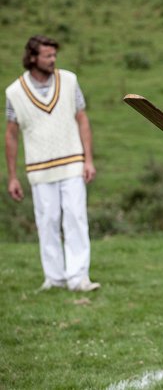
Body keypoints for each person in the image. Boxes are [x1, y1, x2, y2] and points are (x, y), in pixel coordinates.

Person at [4, 35, 99, 292]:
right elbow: (11, 134)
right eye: (47, 56)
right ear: (33, 58)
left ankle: (79, 278)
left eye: (54, 55)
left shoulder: (69, 80)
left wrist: (88, 160)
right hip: (39, 168)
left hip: (72, 163)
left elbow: (82, 119)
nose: (53, 59)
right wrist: (13, 176)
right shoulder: (14, 92)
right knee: (47, 221)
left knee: (76, 218)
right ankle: (54, 278)